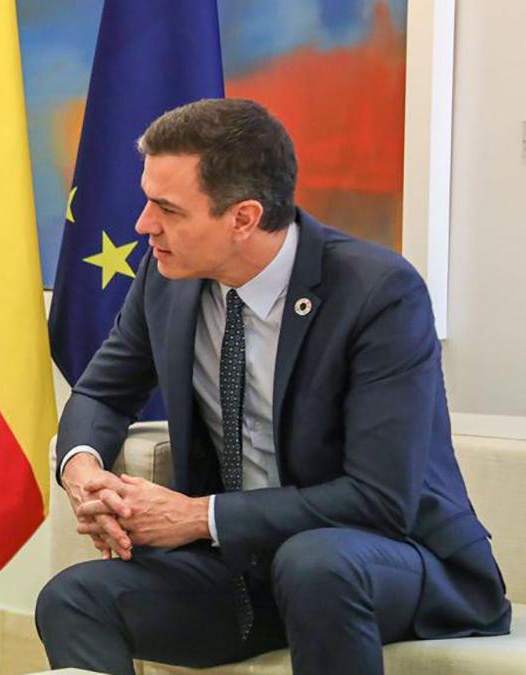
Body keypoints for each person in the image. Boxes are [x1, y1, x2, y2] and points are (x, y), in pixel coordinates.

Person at [35, 98, 510, 675]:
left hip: (391, 561)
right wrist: (83, 471)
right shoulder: (166, 278)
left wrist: (198, 516)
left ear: (243, 218)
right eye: (147, 200)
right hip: (249, 566)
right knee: (74, 599)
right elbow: (103, 393)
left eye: (167, 209)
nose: (144, 225)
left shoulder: (376, 292)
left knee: (315, 563)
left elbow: (380, 500)